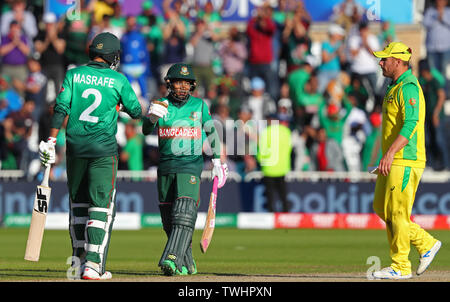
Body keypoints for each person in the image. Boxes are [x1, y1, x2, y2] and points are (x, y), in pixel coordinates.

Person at [38, 32, 143, 280]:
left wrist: (51, 140)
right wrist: (119, 105)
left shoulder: (74, 75)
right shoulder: (118, 80)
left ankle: (77, 262)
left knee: (78, 205)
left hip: (75, 148)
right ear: (112, 56)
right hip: (103, 151)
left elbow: (60, 107)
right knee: (100, 207)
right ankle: (93, 265)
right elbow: (137, 111)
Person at [141, 63, 228, 276]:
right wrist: (151, 117)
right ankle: (187, 262)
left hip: (190, 164)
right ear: (170, 84)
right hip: (166, 165)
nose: (182, 87)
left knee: (184, 213)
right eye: (178, 82)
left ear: (192, 86)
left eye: (186, 83)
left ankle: (170, 258)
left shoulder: (199, 105)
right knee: (168, 220)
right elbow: (145, 130)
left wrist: (217, 161)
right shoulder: (161, 104)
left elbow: (211, 132)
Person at [370, 42, 441, 279]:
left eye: (385, 60)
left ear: (398, 62)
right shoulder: (395, 86)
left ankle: (400, 266)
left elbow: (411, 123)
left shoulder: (409, 87)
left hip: (405, 159)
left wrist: (390, 153)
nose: (381, 63)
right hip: (392, 159)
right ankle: (426, 243)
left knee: (398, 212)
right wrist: (385, 155)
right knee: (381, 208)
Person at [257, 113, 292, 212]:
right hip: (283, 168)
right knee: (283, 195)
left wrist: (259, 159)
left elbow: (261, 152)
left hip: (269, 168)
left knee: (270, 196)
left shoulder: (266, 132)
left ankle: (271, 218)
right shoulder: (286, 131)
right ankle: (285, 216)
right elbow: (289, 148)